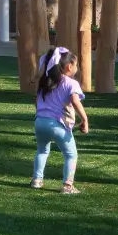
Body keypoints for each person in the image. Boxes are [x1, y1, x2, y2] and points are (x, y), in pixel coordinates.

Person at [31, 46, 88, 193]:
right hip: (57, 124)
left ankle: (37, 180)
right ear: (69, 66)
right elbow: (75, 101)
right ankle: (67, 186)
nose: (77, 68)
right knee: (71, 154)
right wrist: (85, 119)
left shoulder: (45, 82)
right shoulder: (71, 83)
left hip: (39, 122)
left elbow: (36, 102)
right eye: (76, 65)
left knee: (42, 151)